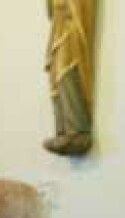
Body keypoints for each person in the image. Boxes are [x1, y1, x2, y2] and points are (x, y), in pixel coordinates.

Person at [44, 0, 97, 156]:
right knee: (55, 74)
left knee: (67, 71)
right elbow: (50, 12)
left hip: (71, 26)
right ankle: (62, 129)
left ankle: (77, 128)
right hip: (59, 27)